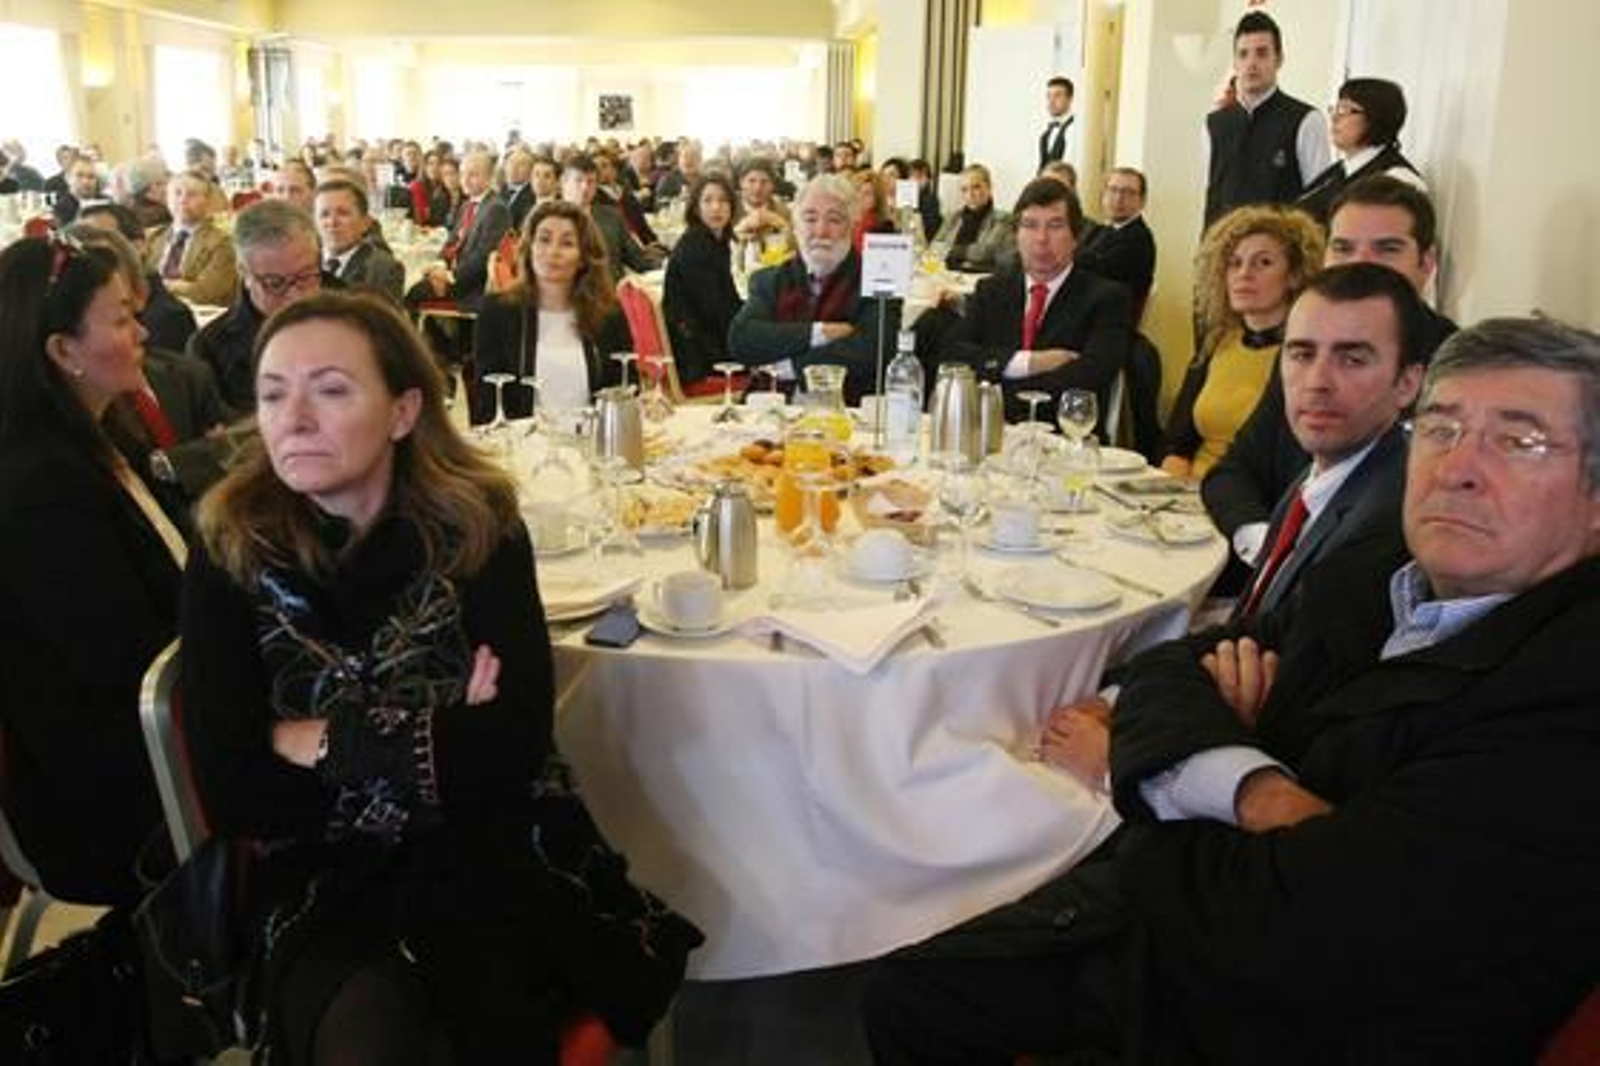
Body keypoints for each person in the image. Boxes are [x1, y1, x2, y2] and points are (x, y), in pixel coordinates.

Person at [864, 315, 1600, 1066]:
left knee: (918, 993)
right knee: (915, 950)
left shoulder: (1570, 691)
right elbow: (1168, 668)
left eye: (1520, 441)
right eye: (1441, 429)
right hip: (1218, 919)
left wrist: (1146, 784)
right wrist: (1258, 792)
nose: (1456, 468)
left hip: (1286, 1016)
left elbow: (1308, 928)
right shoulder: (1378, 572)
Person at [181, 291, 701, 1063]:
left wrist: (316, 739)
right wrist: (436, 740)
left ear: (401, 411)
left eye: (330, 389)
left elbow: (513, 751)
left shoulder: (478, 528)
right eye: (271, 393)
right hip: (320, 876)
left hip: (491, 849)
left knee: (471, 1004)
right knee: (367, 1027)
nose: (293, 418)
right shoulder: (230, 548)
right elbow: (234, 789)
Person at [0, 235, 178, 906]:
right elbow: (127, 666)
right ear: (62, 352)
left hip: (152, 731)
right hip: (112, 794)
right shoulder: (37, 490)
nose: (143, 330)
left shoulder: (101, 438)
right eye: (123, 318)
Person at [1204, 177, 1457, 566]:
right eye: (1343, 248)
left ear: (1427, 263)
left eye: (1386, 249)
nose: (1361, 264)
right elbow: (1233, 470)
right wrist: (1263, 544)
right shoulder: (1307, 342)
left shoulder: (1457, 370)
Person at [942, 177, 1133, 425]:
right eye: (1030, 225)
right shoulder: (992, 290)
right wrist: (1029, 362)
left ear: (1076, 237)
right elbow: (952, 355)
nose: (1041, 239)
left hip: (1064, 444)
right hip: (991, 436)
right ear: (1016, 236)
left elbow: (1089, 377)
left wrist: (995, 387)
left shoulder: (1106, 299)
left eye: (1055, 226)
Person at [1161, 204, 1324, 480]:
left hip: (1252, 504)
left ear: (1295, 275)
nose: (1244, 274)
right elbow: (1178, 443)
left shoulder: (1306, 356)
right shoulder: (1218, 342)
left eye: (1263, 262)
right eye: (1235, 263)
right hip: (1187, 496)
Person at [728, 172, 901, 403]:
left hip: (849, 415)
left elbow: (875, 351)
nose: (821, 231)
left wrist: (789, 366)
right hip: (771, 413)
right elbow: (742, 340)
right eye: (810, 219)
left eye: (834, 220)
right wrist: (820, 333)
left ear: (852, 225)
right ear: (796, 226)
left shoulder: (879, 278)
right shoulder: (769, 280)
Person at [470, 199, 632, 424]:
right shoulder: (498, 312)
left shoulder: (609, 315)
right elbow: (485, 403)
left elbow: (626, 394)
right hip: (524, 448)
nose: (552, 252)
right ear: (529, 247)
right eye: (544, 240)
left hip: (592, 445)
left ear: (584, 258)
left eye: (566, 244)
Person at [189, 198, 327, 411]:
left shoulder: (356, 314)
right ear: (244, 273)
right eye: (275, 283)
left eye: (306, 276)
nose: (295, 296)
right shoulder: (210, 348)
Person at [1204, 10, 1331, 227]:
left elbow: (1319, 203)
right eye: (1243, 54)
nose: (1251, 63)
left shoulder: (1306, 120)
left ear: (1279, 59)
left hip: (1281, 253)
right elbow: (1213, 198)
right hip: (1224, 254)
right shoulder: (1213, 124)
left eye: (1262, 53)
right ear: (1234, 62)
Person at [1296, 77, 1425, 224]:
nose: (1334, 117)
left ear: (1376, 117)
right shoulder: (1339, 170)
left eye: (1345, 109)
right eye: (1336, 108)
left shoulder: (1397, 179)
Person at [663, 173, 744, 386]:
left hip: (707, 338)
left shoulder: (716, 241)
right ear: (696, 207)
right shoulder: (696, 247)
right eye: (708, 200)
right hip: (697, 355)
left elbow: (728, 300)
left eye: (723, 200)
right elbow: (716, 311)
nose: (716, 207)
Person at [559, 153, 662, 281]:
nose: (585, 187)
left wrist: (666, 266)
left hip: (612, 292)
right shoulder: (552, 220)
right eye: (578, 180)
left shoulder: (611, 216)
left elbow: (637, 260)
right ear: (563, 182)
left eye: (591, 181)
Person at [145, 169, 238, 307]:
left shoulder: (221, 242)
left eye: (192, 194)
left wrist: (163, 286)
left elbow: (206, 292)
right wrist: (183, 286)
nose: (183, 200)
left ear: (207, 202)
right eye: (177, 193)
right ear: (167, 199)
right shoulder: (152, 237)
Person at [1074, 167, 1156, 322]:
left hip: (1108, 322)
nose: (1118, 198)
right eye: (1113, 190)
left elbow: (1090, 268)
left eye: (1129, 193)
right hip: (1088, 311)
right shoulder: (1102, 229)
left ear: (1142, 201)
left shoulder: (1138, 239)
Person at [315, 178, 405, 305]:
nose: (332, 222)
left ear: (365, 223)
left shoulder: (384, 269)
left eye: (343, 213)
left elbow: (382, 322)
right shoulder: (303, 262)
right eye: (324, 214)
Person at [931, 164, 1015, 273]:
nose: (970, 195)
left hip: (981, 279)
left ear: (989, 188)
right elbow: (934, 247)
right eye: (964, 190)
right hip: (948, 276)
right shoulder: (953, 217)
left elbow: (986, 253)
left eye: (976, 187)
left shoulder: (1003, 219)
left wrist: (950, 250)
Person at [1038, 75, 1078, 170]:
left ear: (1070, 99)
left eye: (1057, 96)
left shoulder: (1076, 130)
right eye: (1048, 96)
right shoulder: (1046, 132)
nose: (1051, 102)